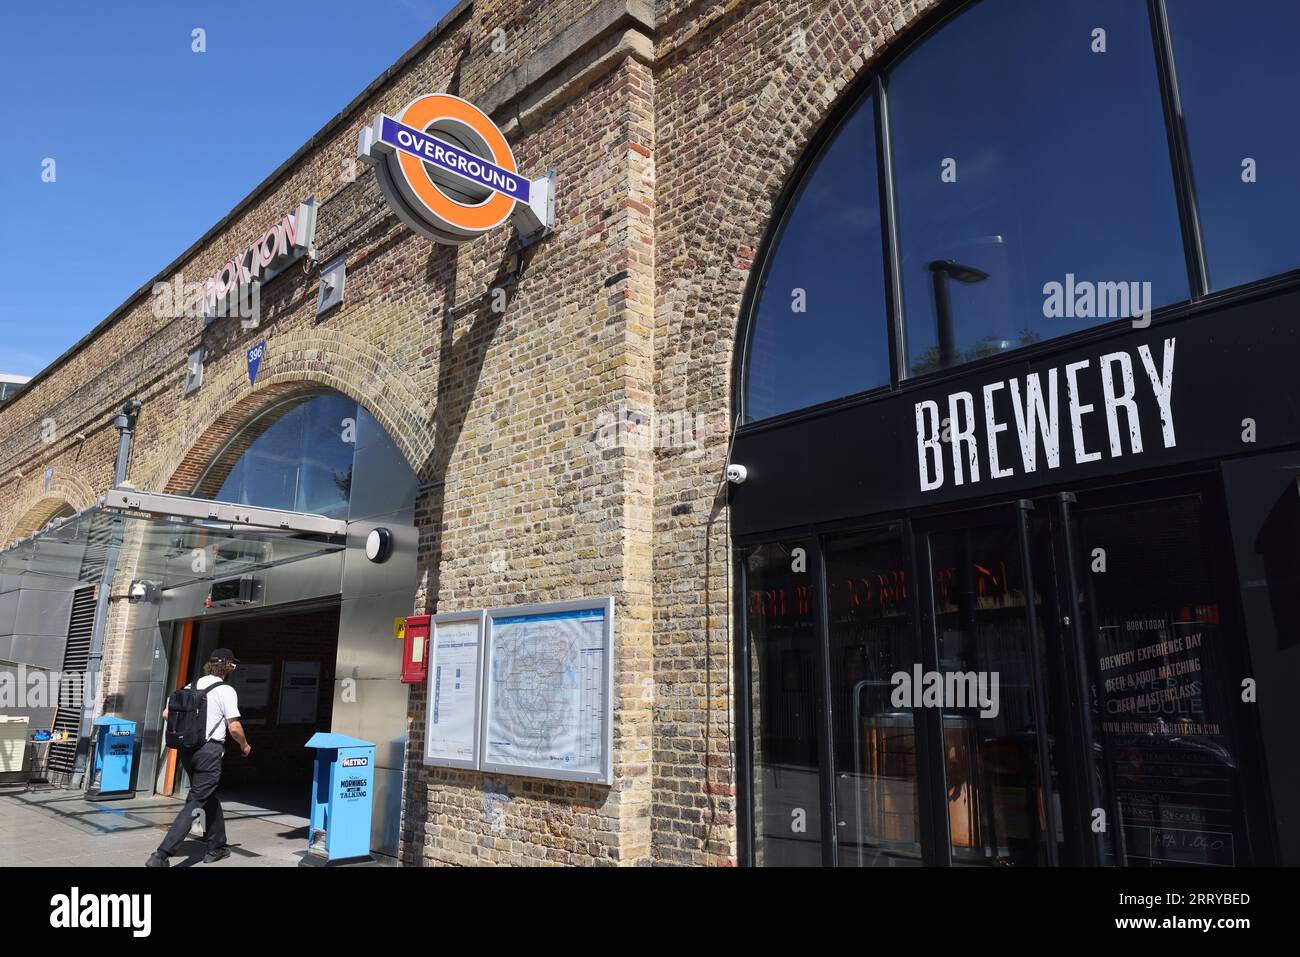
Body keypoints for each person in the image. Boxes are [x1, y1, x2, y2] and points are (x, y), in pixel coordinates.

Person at [146, 649, 251, 867]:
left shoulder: (189, 686)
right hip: (209, 752)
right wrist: (245, 744)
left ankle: (217, 846)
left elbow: (167, 714)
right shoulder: (226, 690)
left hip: (188, 751)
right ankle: (162, 854)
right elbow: (234, 727)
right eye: (234, 665)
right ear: (228, 667)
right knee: (195, 802)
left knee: (207, 795)